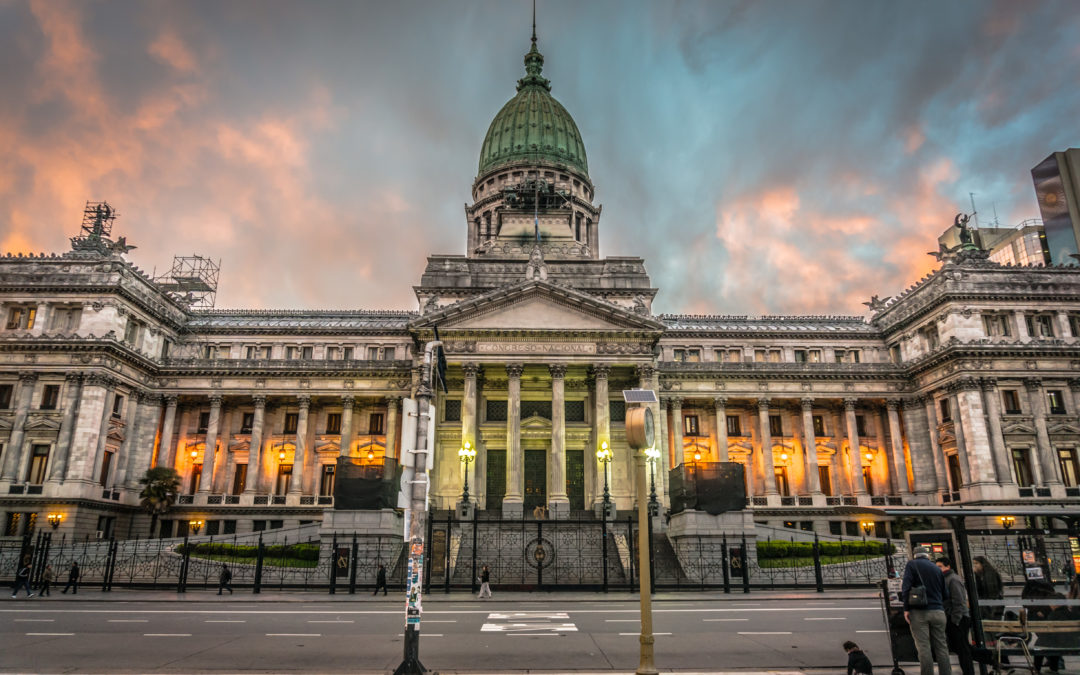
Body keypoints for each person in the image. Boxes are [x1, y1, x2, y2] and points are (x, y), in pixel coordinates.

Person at [902, 546, 951, 675]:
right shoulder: (937, 568)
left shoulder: (911, 565)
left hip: (919, 612)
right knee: (941, 647)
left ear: (915, 555)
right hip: (938, 612)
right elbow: (945, 593)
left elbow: (906, 588)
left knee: (924, 647)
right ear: (927, 555)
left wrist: (906, 609)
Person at [936, 557, 974, 675]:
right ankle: (987, 657)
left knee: (962, 650)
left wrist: (955, 619)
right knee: (960, 648)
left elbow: (959, 601)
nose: (938, 569)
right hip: (954, 618)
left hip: (959, 619)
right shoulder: (945, 578)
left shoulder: (952, 579)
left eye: (940, 567)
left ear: (948, 567)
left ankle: (970, 670)